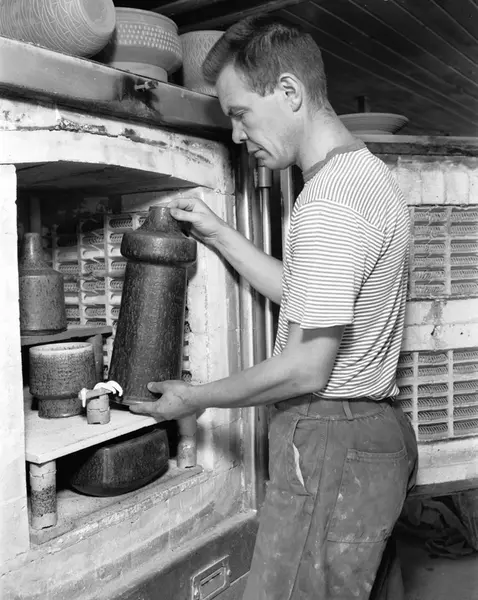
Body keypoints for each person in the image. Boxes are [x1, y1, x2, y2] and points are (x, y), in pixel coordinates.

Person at [130, 16, 418, 600]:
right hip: (373, 434)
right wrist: (219, 234)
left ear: (289, 92)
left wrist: (197, 397)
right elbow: (309, 294)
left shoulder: (329, 202)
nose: (238, 135)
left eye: (240, 113)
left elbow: (306, 368)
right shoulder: (366, 176)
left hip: (330, 440)